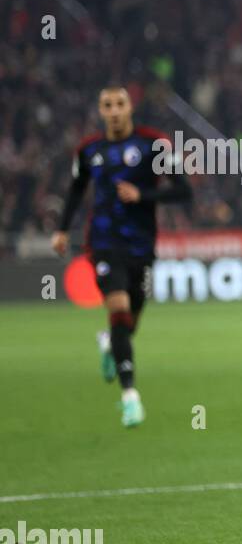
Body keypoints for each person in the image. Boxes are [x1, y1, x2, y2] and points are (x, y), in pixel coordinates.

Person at [51, 86, 191, 426]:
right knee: (118, 307)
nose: (114, 110)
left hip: (141, 246)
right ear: (101, 111)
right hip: (103, 242)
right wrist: (62, 229)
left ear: (130, 108)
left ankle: (108, 342)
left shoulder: (154, 144)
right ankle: (130, 397)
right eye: (107, 105)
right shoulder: (88, 150)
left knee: (129, 324)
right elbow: (75, 188)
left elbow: (182, 191)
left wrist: (141, 194)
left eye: (119, 104)